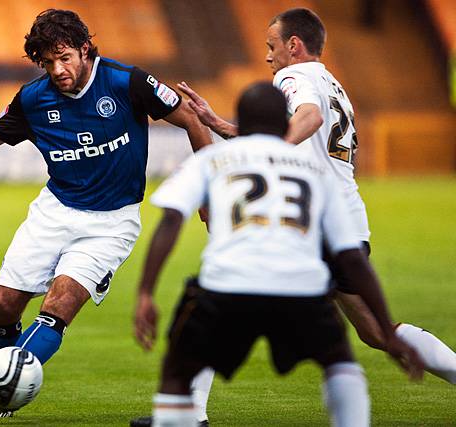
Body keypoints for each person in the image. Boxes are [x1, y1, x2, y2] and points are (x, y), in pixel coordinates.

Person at [131, 8, 456, 426]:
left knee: (217, 301)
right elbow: (299, 128)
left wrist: (267, 155)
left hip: (306, 224)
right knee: (378, 334)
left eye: (272, 46)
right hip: (346, 223)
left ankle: (188, 416)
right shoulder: (331, 82)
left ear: (294, 45)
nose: (268, 56)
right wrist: (220, 124)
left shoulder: (293, 78)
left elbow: (308, 118)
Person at [0, 9, 212, 420]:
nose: (57, 70)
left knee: (58, 305)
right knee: (3, 305)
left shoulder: (126, 81)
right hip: (54, 211)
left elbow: (191, 119)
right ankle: (5, 392)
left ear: (85, 49)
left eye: (64, 58)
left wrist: (210, 188)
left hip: (111, 223)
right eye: (47, 62)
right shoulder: (33, 99)